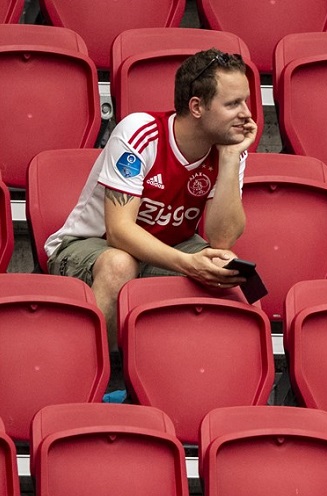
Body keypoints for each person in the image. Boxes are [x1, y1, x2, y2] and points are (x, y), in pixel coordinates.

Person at [45, 48, 257, 351]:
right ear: (197, 106)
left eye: (246, 101)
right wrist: (188, 264)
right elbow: (119, 232)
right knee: (120, 264)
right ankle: (101, 380)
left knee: (229, 268)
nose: (246, 113)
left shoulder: (229, 146)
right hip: (92, 245)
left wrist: (231, 159)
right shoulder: (140, 132)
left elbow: (222, 239)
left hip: (170, 247)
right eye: (233, 103)